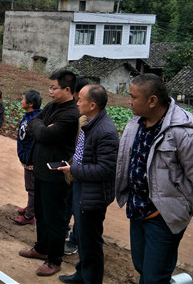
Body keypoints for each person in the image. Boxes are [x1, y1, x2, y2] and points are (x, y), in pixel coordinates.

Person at [115, 74, 193, 284]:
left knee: (154, 277)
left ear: (152, 101)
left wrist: (182, 206)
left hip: (163, 218)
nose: (129, 101)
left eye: (133, 97)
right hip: (137, 210)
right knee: (142, 266)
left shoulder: (184, 134)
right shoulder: (135, 124)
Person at [18, 70, 79, 277]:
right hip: (42, 171)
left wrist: (41, 127)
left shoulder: (71, 114)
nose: (50, 91)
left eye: (54, 88)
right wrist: (41, 126)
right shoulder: (53, 106)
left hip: (57, 175)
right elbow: (36, 123)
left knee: (56, 219)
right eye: (50, 87)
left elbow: (42, 132)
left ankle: (54, 260)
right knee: (42, 214)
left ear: (67, 89)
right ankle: (41, 248)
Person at [57, 85, 119, 284]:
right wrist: (71, 162)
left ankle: (91, 280)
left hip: (93, 194)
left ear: (92, 105)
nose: (77, 102)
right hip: (82, 188)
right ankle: (81, 274)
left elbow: (105, 169)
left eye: (80, 100)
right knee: (82, 238)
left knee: (91, 242)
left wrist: (73, 170)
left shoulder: (105, 131)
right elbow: (83, 154)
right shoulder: (90, 123)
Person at [64, 76, 89, 255]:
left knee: (77, 208)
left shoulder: (86, 120)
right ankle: (66, 235)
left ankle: (74, 241)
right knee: (69, 203)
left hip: (80, 172)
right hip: (72, 168)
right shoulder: (78, 117)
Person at [14, 89, 42, 225]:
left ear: (30, 103)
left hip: (31, 160)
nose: (21, 101)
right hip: (26, 158)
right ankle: (30, 206)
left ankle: (30, 215)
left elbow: (34, 142)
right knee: (30, 187)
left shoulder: (35, 120)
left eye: (23, 99)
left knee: (31, 188)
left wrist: (29, 158)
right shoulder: (29, 116)